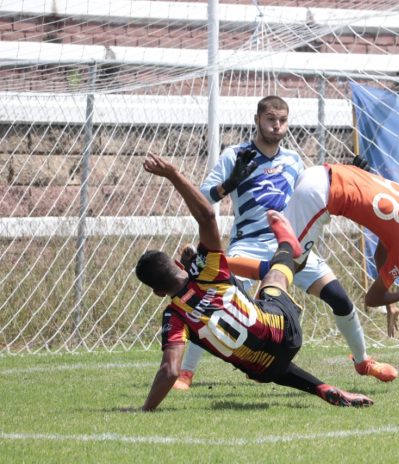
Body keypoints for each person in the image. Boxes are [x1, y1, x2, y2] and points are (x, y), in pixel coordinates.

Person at [173, 95, 397, 390]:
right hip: (248, 244)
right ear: (257, 120)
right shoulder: (234, 156)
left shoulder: (293, 160)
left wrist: (354, 175)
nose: (276, 126)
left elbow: (316, 190)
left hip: (289, 244)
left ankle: (363, 362)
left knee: (340, 299)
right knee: (215, 300)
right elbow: (202, 198)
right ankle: (186, 373)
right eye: (270, 119)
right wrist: (230, 184)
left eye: (282, 121)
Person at [132, 154, 373, 411]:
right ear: (178, 265)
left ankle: (319, 387)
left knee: (259, 360)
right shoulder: (207, 271)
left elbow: (170, 370)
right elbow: (207, 216)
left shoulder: (174, 316)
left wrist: (145, 410)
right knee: (273, 278)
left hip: (265, 368)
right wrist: (173, 174)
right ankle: (286, 246)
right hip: (286, 329)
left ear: (158, 292)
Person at [283, 162, 399, 332]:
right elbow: (371, 300)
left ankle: (274, 302)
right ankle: (272, 309)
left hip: (318, 172)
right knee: (290, 261)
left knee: (293, 259)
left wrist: (390, 304)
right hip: (319, 196)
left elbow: (379, 257)